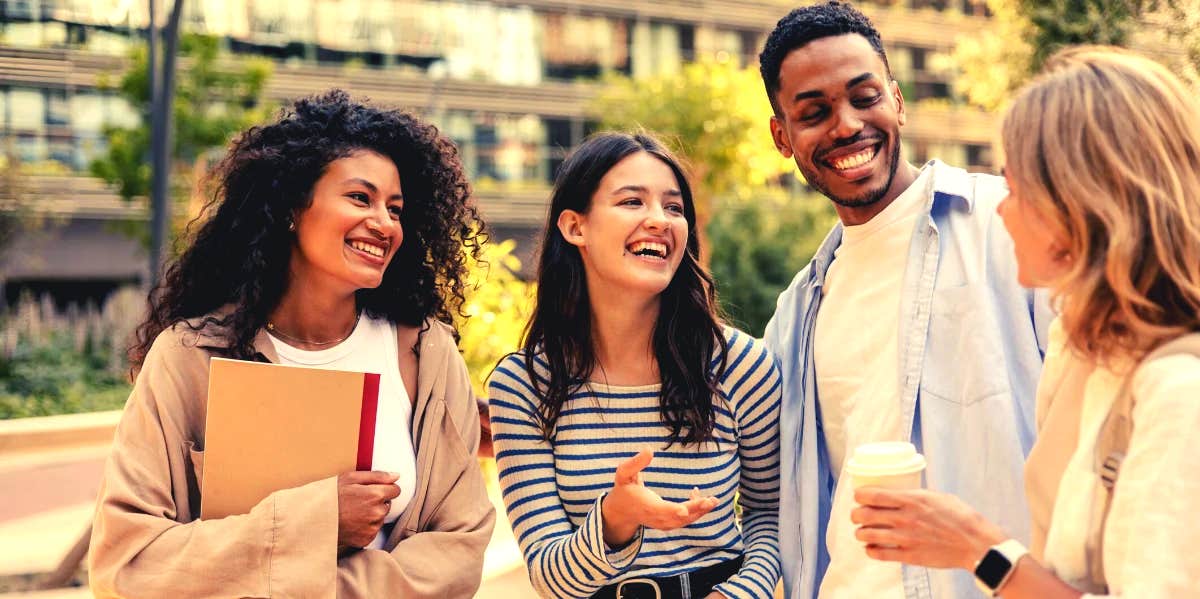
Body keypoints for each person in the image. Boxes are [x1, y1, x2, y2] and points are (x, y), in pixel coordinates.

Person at [88, 90, 495, 598]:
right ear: (290, 208)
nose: (385, 223)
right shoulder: (190, 357)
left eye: (395, 208)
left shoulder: (426, 354)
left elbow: (459, 549)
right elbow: (127, 564)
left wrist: (309, 582)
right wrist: (319, 520)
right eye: (359, 197)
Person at [853, 45, 1200, 598]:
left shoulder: (1178, 393)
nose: (1000, 208)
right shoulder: (1085, 350)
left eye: (1014, 188)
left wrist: (979, 550)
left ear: (1079, 204)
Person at [756, 3, 1053, 598]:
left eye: (864, 98)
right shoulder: (795, 314)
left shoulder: (1010, 225)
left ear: (897, 99)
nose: (845, 126)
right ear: (783, 137)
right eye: (815, 112)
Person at [487, 132, 782, 599]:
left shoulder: (739, 364)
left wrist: (740, 594)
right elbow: (548, 577)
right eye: (631, 201)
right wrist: (616, 517)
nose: (659, 221)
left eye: (673, 207)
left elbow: (773, 512)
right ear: (574, 227)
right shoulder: (523, 384)